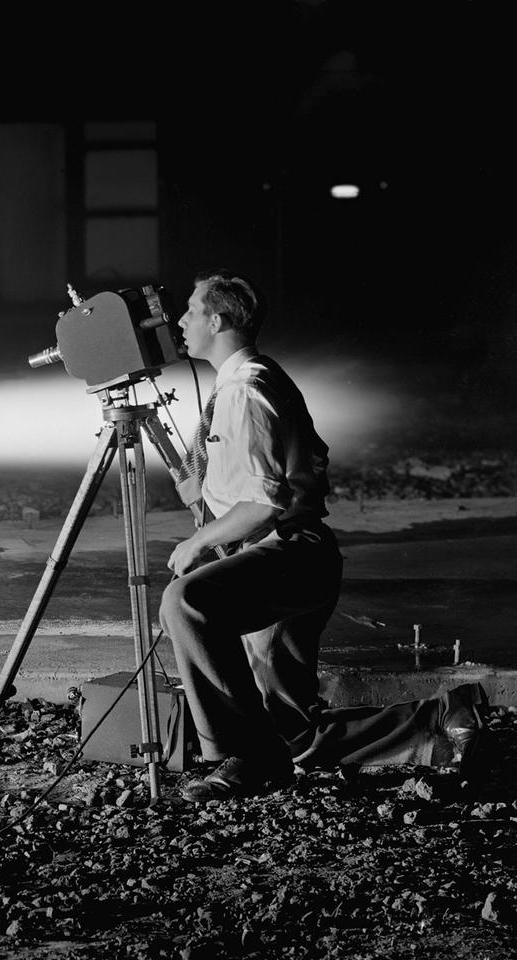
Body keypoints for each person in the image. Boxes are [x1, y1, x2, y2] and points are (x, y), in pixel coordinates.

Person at [160, 271, 485, 802]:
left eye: (191, 310)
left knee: (186, 602)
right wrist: (206, 493)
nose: (179, 320)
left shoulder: (245, 390)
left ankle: (234, 756)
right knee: (293, 734)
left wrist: (196, 543)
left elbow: (264, 503)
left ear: (217, 321)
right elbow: (255, 476)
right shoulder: (251, 380)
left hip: (285, 552)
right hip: (293, 554)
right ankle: (445, 716)